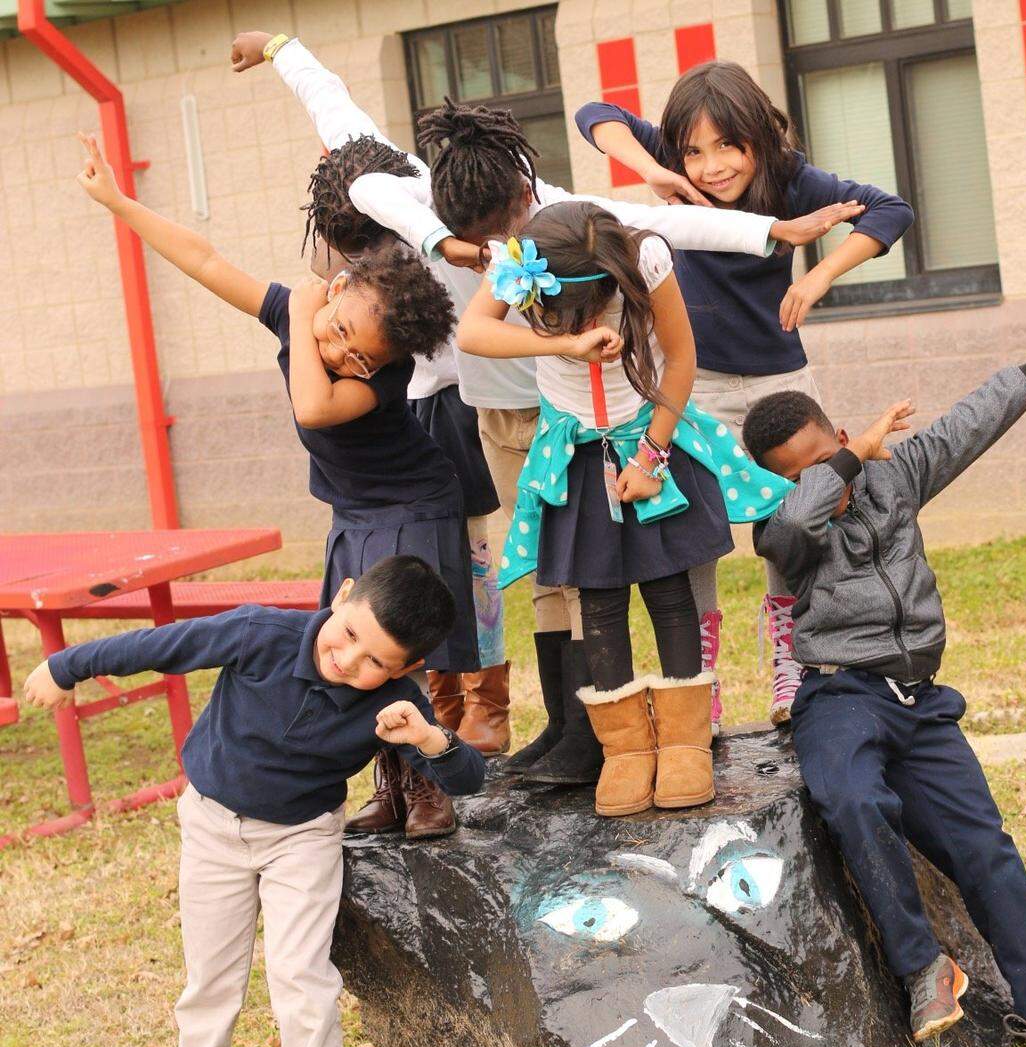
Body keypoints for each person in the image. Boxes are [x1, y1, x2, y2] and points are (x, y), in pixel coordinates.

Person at [230, 29, 858, 784]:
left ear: (528, 196)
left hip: (601, 417)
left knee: (642, 574)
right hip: (510, 416)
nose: (503, 242)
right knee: (564, 575)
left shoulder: (570, 224)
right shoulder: (433, 212)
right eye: (485, 235)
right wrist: (283, 51)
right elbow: (350, 153)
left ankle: (637, 735)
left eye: (509, 228)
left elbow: (671, 226)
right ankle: (578, 729)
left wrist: (769, 233)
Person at [741, 305, 1026, 1047]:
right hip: (839, 698)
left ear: (843, 430)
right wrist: (843, 465)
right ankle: (923, 968)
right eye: (802, 473)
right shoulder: (785, 527)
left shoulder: (900, 476)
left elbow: (976, 417)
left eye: (827, 455)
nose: (824, 478)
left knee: (985, 848)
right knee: (853, 800)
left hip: (918, 701)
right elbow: (794, 531)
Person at [22, 556, 486, 1047]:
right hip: (213, 826)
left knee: (302, 977)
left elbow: (469, 780)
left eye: (377, 661)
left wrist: (429, 741)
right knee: (209, 980)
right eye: (348, 634)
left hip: (301, 839)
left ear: (406, 669)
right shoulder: (258, 634)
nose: (350, 662)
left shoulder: (398, 702)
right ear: (341, 596)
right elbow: (159, 646)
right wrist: (65, 665)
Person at [76, 131, 474, 841]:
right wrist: (117, 200)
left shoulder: (368, 374)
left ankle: (427, 786)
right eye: (340, 330)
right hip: (356, 510)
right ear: (342, 287)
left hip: (412, 506)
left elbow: (315, 407)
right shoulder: (301, 309)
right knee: (347, 650)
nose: (340, 352)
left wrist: (299, 313)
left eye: (359, 353)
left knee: (399, 642)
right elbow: (204, 258)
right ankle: (390, 784)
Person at [575, 61, 914, 727]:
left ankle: (793, 660)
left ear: (756, 137)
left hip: (778, 384)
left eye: (727, 146)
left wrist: (818, 279)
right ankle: (701, 674)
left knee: (790, 524)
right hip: (691, 385)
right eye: (696, 151)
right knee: (692, 528)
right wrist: (658, 169)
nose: (712, 166)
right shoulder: (674, 162)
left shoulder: (789, 179)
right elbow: (594, 114)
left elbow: (890, 208)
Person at [457, 201, 792, 818]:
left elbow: (682, 360)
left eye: (585, 309)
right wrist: (562, 339)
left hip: (650, 439)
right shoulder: (519, 258)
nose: (575, 319)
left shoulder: (647, 259)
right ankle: (627, 753)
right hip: (575, 452)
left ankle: (686, 745)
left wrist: (651, 456)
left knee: (670, 590)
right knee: (599, 600)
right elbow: (472, 333)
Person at [297, 121, 511, 760]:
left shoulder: (429, 224)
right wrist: (281, 51)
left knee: (475, 569)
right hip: (402, 417)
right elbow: (330, 104)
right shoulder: (357, 278)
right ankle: (437, 705)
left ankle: (488, 705)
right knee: (408, 579)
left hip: (460, 408)